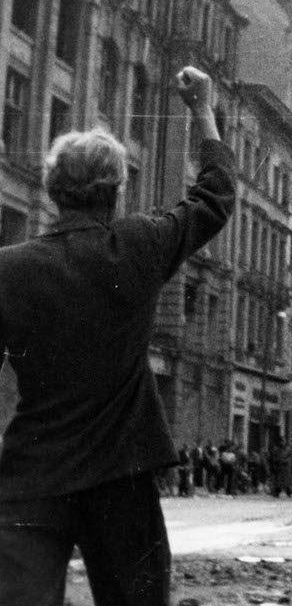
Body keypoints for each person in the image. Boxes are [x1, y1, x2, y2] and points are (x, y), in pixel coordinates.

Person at [0, 66, 231, 606]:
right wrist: (202, 111)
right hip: (119, 478)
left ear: (54, 190)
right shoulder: (139, 245)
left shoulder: (8, 269)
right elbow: (214, 197)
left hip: (30, 476)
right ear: (117, 189)